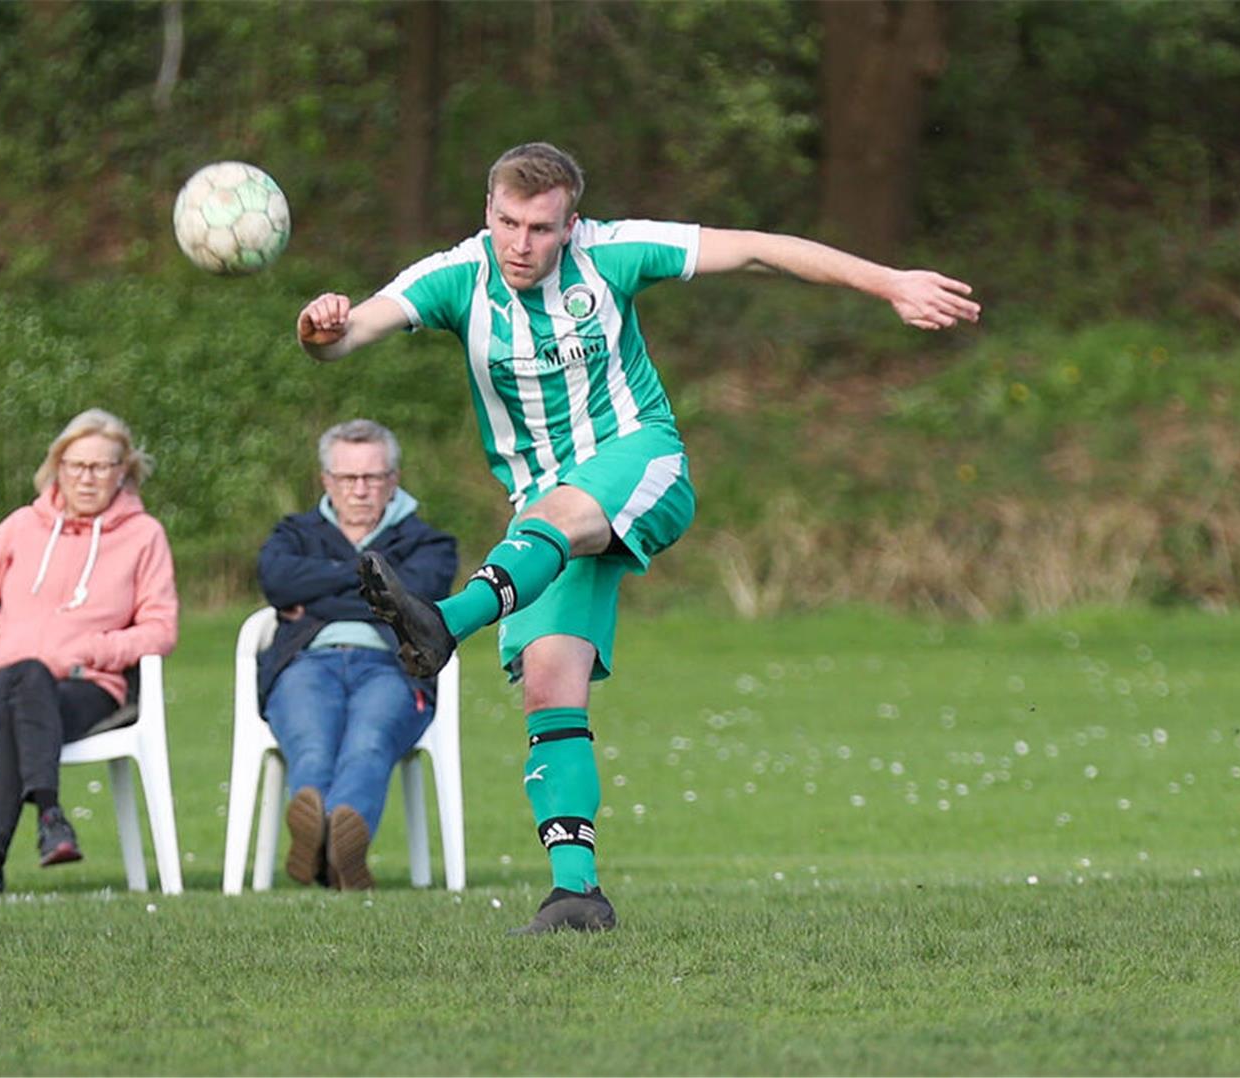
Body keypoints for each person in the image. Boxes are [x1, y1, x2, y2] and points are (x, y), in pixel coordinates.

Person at [295, 142, 981, 934]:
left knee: (553, 518)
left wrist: (890, 282)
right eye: (510, 223)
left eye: (542, 228)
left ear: (571, 224)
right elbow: (346, 338)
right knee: (551, 688)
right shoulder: (455, 277)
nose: (523, 244)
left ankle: (442, 622)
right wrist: (319, 326)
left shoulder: (612, 253)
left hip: (640, 461)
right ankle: (576, 895)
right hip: (542, 520)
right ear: (488, 214)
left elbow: (758, 251)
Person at [0, 409, 179, 894]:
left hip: (84, 684)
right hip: (1, 675)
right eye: (76, 465)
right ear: (57, 468)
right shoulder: (23, 525)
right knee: (23, 679)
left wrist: (93, 650)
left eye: (102, 466)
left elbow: (160, 628)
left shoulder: (144, 535)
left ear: (123, 472)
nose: (87, 478)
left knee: (19, 706)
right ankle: (49, 812)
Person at [255, 419, 457, 890]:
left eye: (372, 477)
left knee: (369, 740)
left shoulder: (430, 543)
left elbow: (421, 593)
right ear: (327, 481)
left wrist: (320, 583)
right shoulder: (294, 533)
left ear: (393, 479)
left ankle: (334, 844)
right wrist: (377, 582)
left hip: (394, 667)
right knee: (311, 742)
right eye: (348, 478)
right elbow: (277, 581)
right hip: (306, 663)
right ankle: (331, 848)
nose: (361, 490)